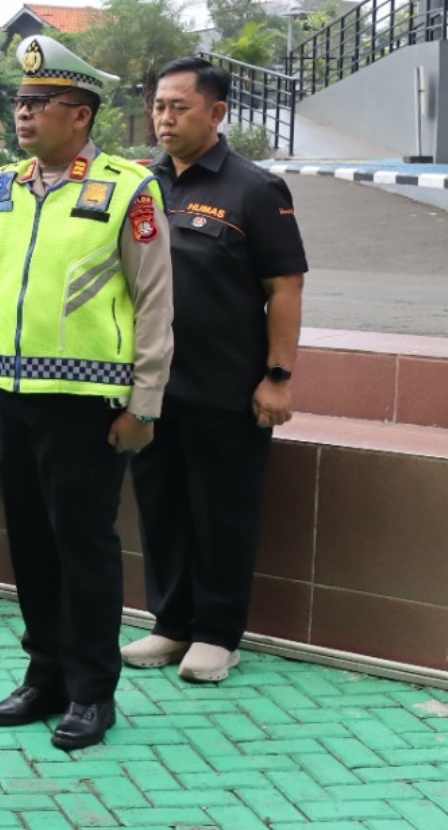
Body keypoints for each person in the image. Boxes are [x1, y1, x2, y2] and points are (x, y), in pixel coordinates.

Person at [0, 34, 173, 754]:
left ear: (80, 114)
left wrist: (143, 402)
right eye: (21, 103)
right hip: (13, 396)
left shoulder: (127, 187)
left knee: (82, 545)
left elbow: (154, 302)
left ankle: (93, 689)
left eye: (39, 103)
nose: (23, 114)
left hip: (90, 402)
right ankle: (44, 674)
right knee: (27, 542)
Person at [125, 56, 308, 685]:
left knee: (221, 510)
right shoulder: (139, 183)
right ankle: (171, 624)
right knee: (161, 504)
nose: (165, 118)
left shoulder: (253, 189)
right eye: (158, 106)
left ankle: (218, 635)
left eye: (179, 106)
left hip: (226, 385)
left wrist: (277, 376)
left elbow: (284, 287)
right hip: (151, 383)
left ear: (217, 112)